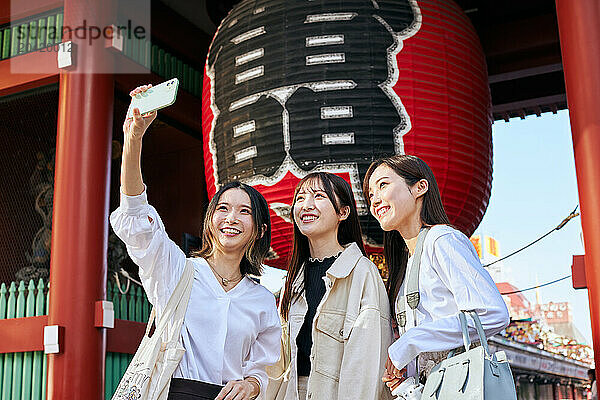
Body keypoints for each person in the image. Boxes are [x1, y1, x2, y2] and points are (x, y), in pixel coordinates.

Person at [110, 84, 281, 400]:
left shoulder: (262, 300)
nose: (231, 218)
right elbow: (136, 215)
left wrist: (253, 384)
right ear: (211, 219)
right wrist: (133, 139)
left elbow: (263, 368)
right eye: (223, 208)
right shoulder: (177, 269)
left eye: (244, 212)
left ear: (258, 230)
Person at [362, 154, 510, 392]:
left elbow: (492, 313)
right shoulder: (406, 262)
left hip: (460, 387)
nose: (375, 199)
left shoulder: (442, 239)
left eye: (383, 185)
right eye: (370, 194)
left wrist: (411, 342)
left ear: (420, 187)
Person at [266, 172, 394, 400]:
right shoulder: (294, 279)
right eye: (300, 198)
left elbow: (366, 363)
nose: (306, 205)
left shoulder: (362, 271)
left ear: (342, 212)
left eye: (318, 196)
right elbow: (279, 363)